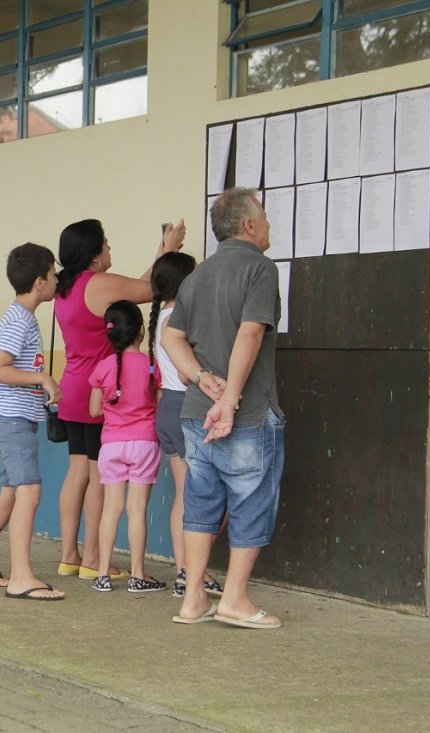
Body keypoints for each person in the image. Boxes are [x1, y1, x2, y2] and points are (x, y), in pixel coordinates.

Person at [162, 187, 284, 629]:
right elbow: (250, 334)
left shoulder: (197, 276)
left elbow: (169, 337)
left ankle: (193, 599)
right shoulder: (260, 269)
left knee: (201, 502)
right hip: (245, 413)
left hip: (196, 411)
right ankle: (233, 600)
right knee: (250, 501)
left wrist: (198, 377)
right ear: (249, 225)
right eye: (265, 217)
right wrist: (230, 400)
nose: (269, 224)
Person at [53, 218, 185, 581]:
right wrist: (169, 247)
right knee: (99, 478)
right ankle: (96, 558)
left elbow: (137, 286)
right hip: (106, 392)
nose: (110, 249)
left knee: (77, 471)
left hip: (74, 389)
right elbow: (149, 289)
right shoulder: (98, 284)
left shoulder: (65, 289)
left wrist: (162, 250)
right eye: (106, 245)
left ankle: (69, 555)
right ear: (94, 256)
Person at [0, 243, 65, 600]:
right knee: (29, 492)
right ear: (39, 282)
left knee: (9, 494)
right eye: (53, 274)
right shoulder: (18, 319)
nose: (56, 280)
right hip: (11, 419)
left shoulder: (23, 317)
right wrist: (43, 379)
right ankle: (22, 577)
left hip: (14, 418)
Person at [150, 252, 225, 598]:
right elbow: (185, 372)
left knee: (184, 493)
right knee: (198, 495)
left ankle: (187, 570)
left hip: (167, 405)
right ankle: (187, 570)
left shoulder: (161, 315)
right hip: (183, 405)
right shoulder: (178, 318)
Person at [88, 300, 165, 593]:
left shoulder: (103, 368)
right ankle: (138, 575)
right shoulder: (150, 365)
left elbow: (95, 410)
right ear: (142, 332)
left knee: (111, 509)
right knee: (136, 510)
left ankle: (103, 574)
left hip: (111, 446)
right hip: (145, 443)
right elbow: (158, 403)